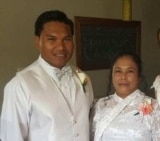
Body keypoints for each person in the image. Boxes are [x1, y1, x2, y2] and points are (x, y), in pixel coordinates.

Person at [0, 10, 94, 141]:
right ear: (37, 42)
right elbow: (11, 137)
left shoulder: (83, 77)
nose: (61, 47)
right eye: (52, 39)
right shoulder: (19, 85)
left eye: (66, 39)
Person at [90, 51, 160, 141]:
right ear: (112, 76)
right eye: (118, 71)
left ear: (139, 77)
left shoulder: (153, 106)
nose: (123, 77)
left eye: (130, 71)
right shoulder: (100, 105)